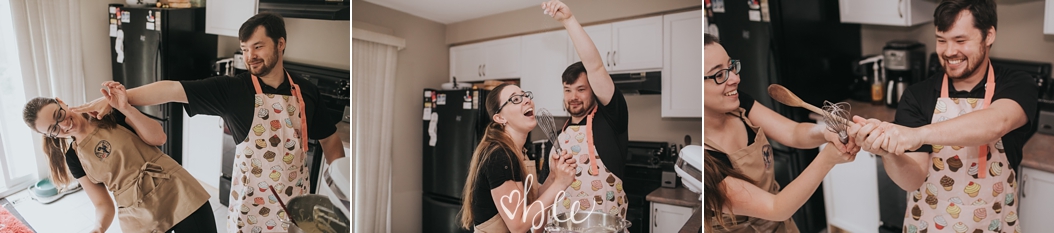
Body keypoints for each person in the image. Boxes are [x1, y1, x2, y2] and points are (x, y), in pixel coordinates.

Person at [71, 12, 346, 233]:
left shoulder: (307, 91)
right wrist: (119, 100)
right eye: (245, 49)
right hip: (252, 206)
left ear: (281, 44)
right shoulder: (232, 89)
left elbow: (330, 139)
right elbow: (171, 88)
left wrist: (341, 191)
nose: (250, 56)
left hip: (294, 202)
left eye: (258, 46)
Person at [849, 0, 1036, 231]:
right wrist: (888, 152)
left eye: (960, 40)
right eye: (941, 40)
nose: (949, 52)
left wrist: (918, 135)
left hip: (994, 225)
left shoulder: (1017, 84)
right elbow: (912, 180)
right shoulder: (917, 96)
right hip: (929, 224)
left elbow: (996, 123)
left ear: (989, 35)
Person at [703, 34, 858, 232]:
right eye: (719, 75)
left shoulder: (739, 104)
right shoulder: (705, 160)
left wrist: (826, 132)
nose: (735, 78)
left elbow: (792, 132)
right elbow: (775, 208)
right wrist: (827, 158)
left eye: (731, 67)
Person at [22, 84, 216, 233]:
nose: (63, 125)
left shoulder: (107, 112)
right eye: (54, 129)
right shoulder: (74, 157)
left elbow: (159, 137)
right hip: (138, 215)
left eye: (59, 115)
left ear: (61, 102)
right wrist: (98, 228)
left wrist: (125, 107)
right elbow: (102, 205)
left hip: (176, 191)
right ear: (50, 136)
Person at [539, 0, 634, 219]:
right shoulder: (555, 138)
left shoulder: (611, 119)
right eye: (567, 90)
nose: (573, 97)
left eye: (581, 89)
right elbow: (546, 191)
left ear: (594, 90)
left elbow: (595, 66)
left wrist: (568, 20)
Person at [458, 83, 577, 232]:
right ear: (500, 117)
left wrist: (553, 177)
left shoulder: (518, 152)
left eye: (525, 95)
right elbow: (518, 225)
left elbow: (530, 203)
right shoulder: (500, 156)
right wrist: (559, 184)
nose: (527, 100)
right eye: (515, 99)